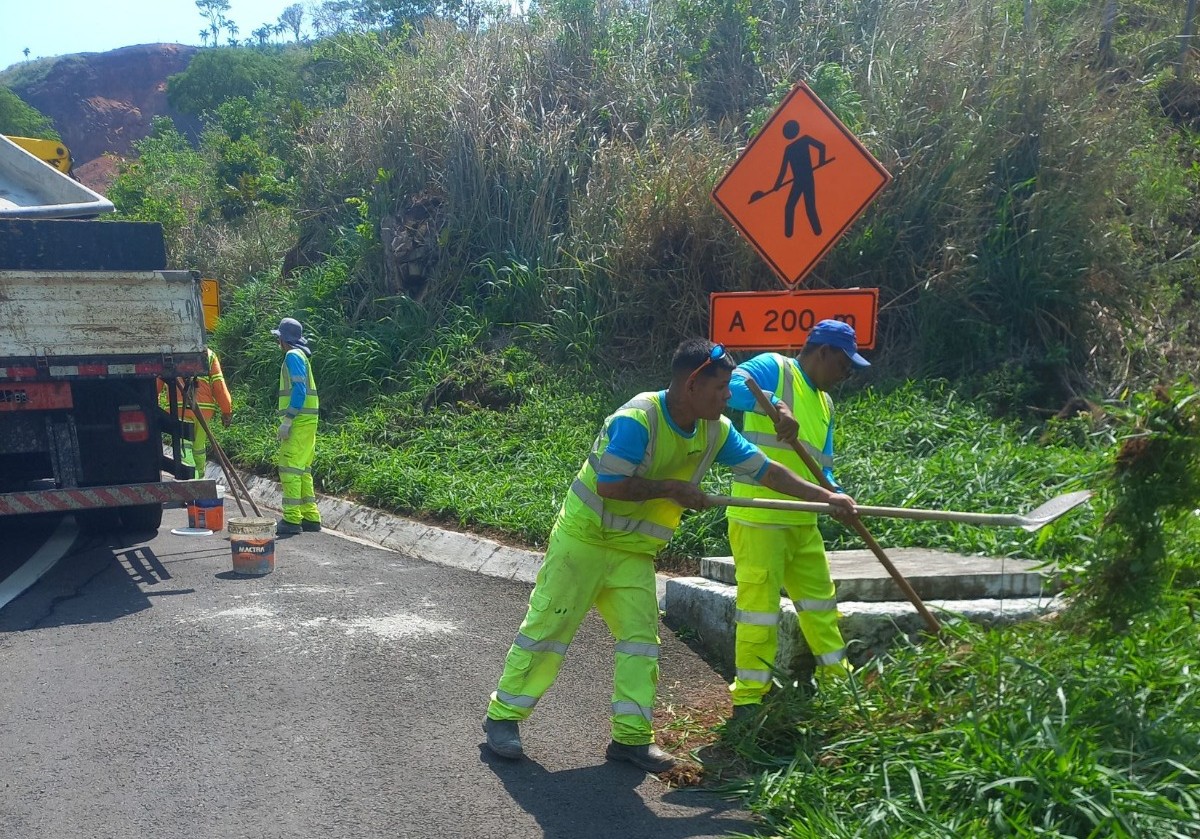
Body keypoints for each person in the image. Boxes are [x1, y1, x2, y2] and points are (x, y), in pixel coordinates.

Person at [482, 338, 857, 772]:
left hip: (633, 552)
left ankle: (631, 740)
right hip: (584, 541)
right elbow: (610, 484)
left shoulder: (715, 429)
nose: (727, 398)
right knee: (548, 630)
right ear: (693, 384)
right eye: (720, 390)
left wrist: (827, 496)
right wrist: (673, 489)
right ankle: (503, 717)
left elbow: (767, 471)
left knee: (642, 644)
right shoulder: (638, 418)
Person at [724, 319, 870, 717]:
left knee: (822, 605)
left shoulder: (826, 404)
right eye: (844, 365)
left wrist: (837, 496)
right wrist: (770, 404)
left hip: (804, 521)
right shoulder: (775, 368)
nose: (845, 375)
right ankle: (750, 699)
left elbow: (824, 469)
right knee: (759, 610)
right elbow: (728, 386)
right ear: (823, 352)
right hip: (761, 517)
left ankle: (840, 685)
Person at [272, 317, 321, 536]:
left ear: (283, 339)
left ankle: (292, 520)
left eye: (278, 338)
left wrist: (288, 419)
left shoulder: (292, 356)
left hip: (299, 421)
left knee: (289, 467)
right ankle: (310, 517)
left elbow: (299, 391)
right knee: (303, 470)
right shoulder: (301, 356)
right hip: (307, 421)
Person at [159, 346, 233, 478]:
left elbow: (158, 381)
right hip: (203, 412)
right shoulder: (209, 355)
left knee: (184, 447)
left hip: (180, 409)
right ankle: (200, 477)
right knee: (199, 448)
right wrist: (226, 410)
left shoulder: (170, 354)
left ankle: (192, 478)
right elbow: (219, 386)